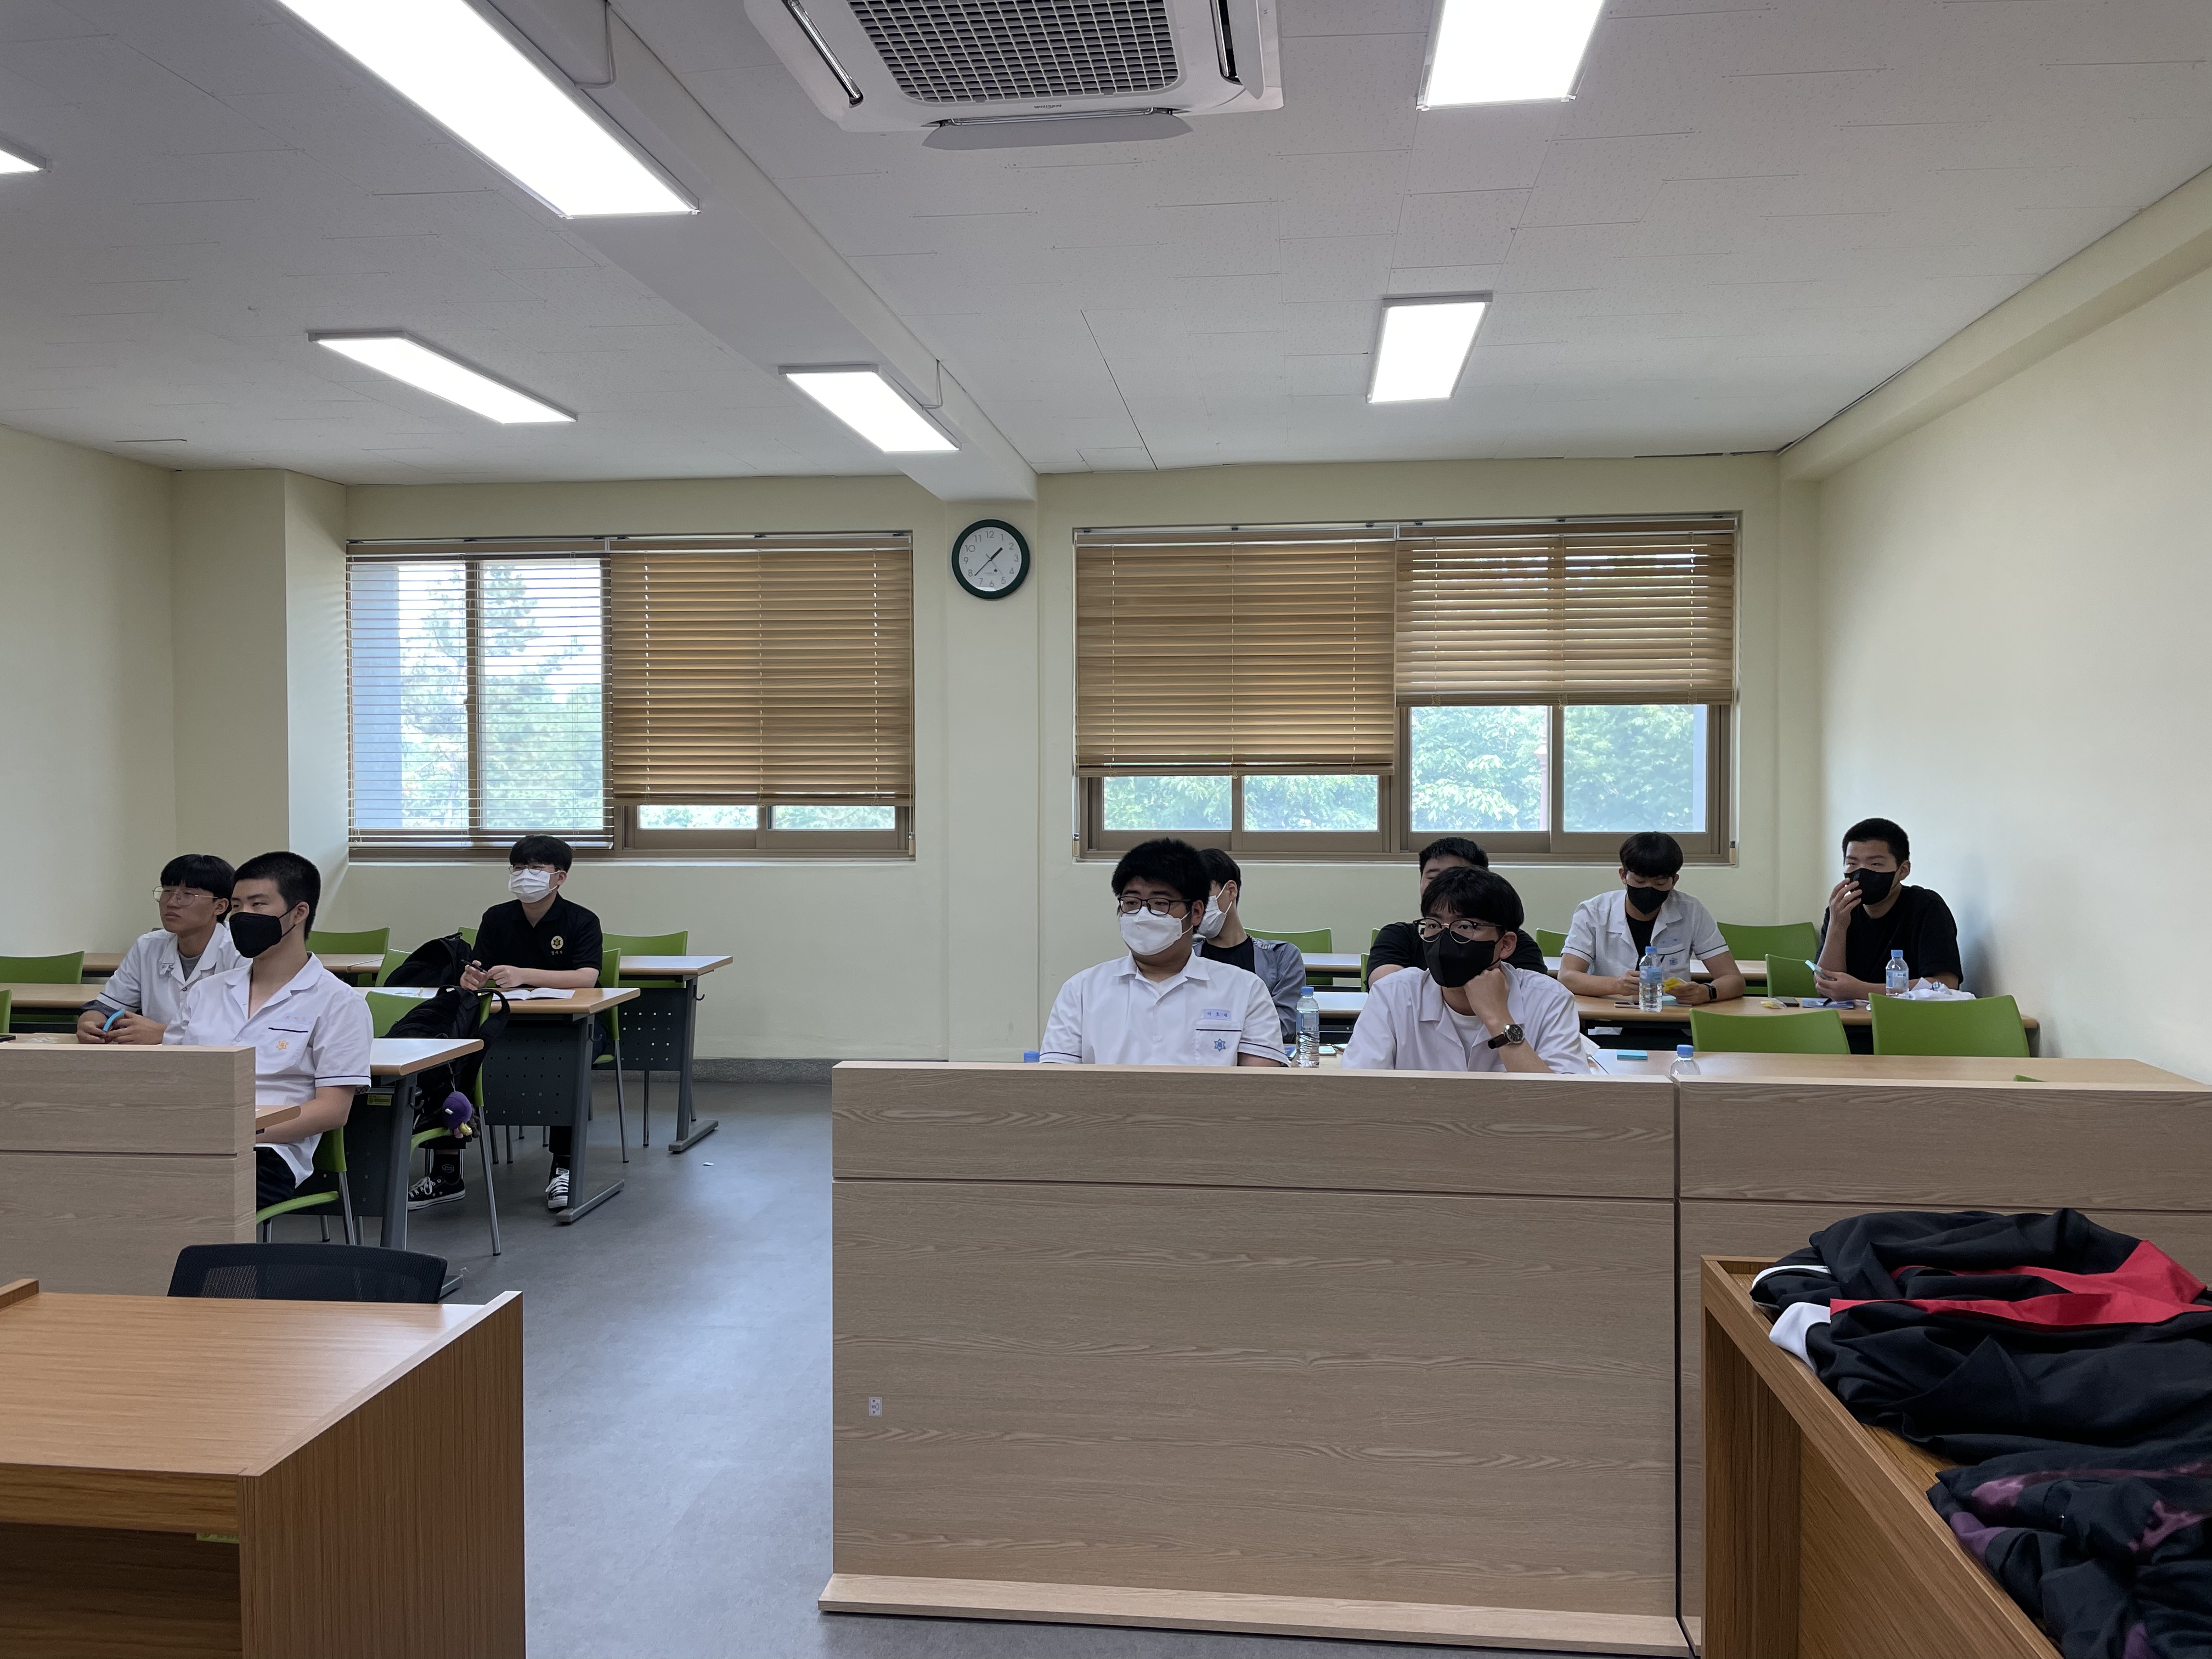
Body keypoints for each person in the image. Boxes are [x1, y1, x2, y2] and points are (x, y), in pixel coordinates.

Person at [164, 850, 371, 1213]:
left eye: (258, 904)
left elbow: (332, 1111)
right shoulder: (206, 991)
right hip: (186, 1140)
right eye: (237, 906)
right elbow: (167, 1076)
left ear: (299, 912)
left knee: (183, 1202)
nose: (243, 916)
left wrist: (233, 1129)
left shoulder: (339, 1002)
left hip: (268, 1151)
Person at [414, 834, 603, 1214]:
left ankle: (564, 1168)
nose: (524, 875)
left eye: (534, 868)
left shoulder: (581, 920)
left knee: (567, 1062)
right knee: (448, 1057)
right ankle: (446, 1171)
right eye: (517, 868)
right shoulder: (497, 917)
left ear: (560, 877)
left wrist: (524, 974)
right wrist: (472, 978)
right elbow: (482, 969)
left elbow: (587, 977)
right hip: (501, 1022)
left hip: (566, 1023)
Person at [1041, 837, 1284, 1068]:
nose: (1143, 916)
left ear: (1196, 912)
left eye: (1160, 904)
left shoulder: (1245, 990)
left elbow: (1259, 1088)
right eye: (1132, 903)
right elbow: (1056, 1084)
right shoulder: (1082, 991)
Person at [1344, 865, 1583, 1075]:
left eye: (1466, 926)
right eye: (1433, 925)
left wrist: (1498, 1018)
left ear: (1506, 944)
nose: (1445, 938)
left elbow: (1566, 1103)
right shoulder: (1393, 995)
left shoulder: (1550, 1000)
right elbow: (1357, 1092)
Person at [1557, 832, 1745, 1005]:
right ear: (1623, 875)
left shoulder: (1691, 911)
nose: (1649, 889)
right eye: (1639, 881)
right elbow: (1567, 976)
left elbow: (1734, 980)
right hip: (1608, 1016)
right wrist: (1617, 985)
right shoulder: (1594, 911)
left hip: (1672, 1017)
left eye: (1660, 883)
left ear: (1674, 881)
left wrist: (1707, 992)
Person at [77, 854, 241, 1044]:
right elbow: (106, 1007)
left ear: (220, 906)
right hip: (153, 1058)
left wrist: (165, 1034)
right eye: (168, 891)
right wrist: (89, 1024)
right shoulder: (148, 946)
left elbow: (244, 1027)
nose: (171, 902)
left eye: (188, 895)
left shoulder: (240, 951)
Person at [1814, 817, 1962, 998]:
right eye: (1852, 863)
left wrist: (1862, 990)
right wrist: (1837, 926)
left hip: (1908, 1015)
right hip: (1848, 1016)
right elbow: (1826, 986)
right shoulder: (1841, 911)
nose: (1861, 872)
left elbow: (1946, 984)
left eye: (1875, 864)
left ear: (1903, 870)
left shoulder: (1927, 908)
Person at [1368, 836, 1548, 985]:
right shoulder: (1400, 936)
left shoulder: (1508, 940)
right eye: (1434, 878)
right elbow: (1385, 986)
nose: (1444, 886)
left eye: (1457, 876)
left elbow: (1530, 990)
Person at [1193, 848, 1307, 1043]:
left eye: (1202, 894)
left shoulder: (1282, 957)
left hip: (1258, 1058)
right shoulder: (1185, 957)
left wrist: (1216, 1033)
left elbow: (1285, 1027)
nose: (1197, 906)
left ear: (1231, 890)